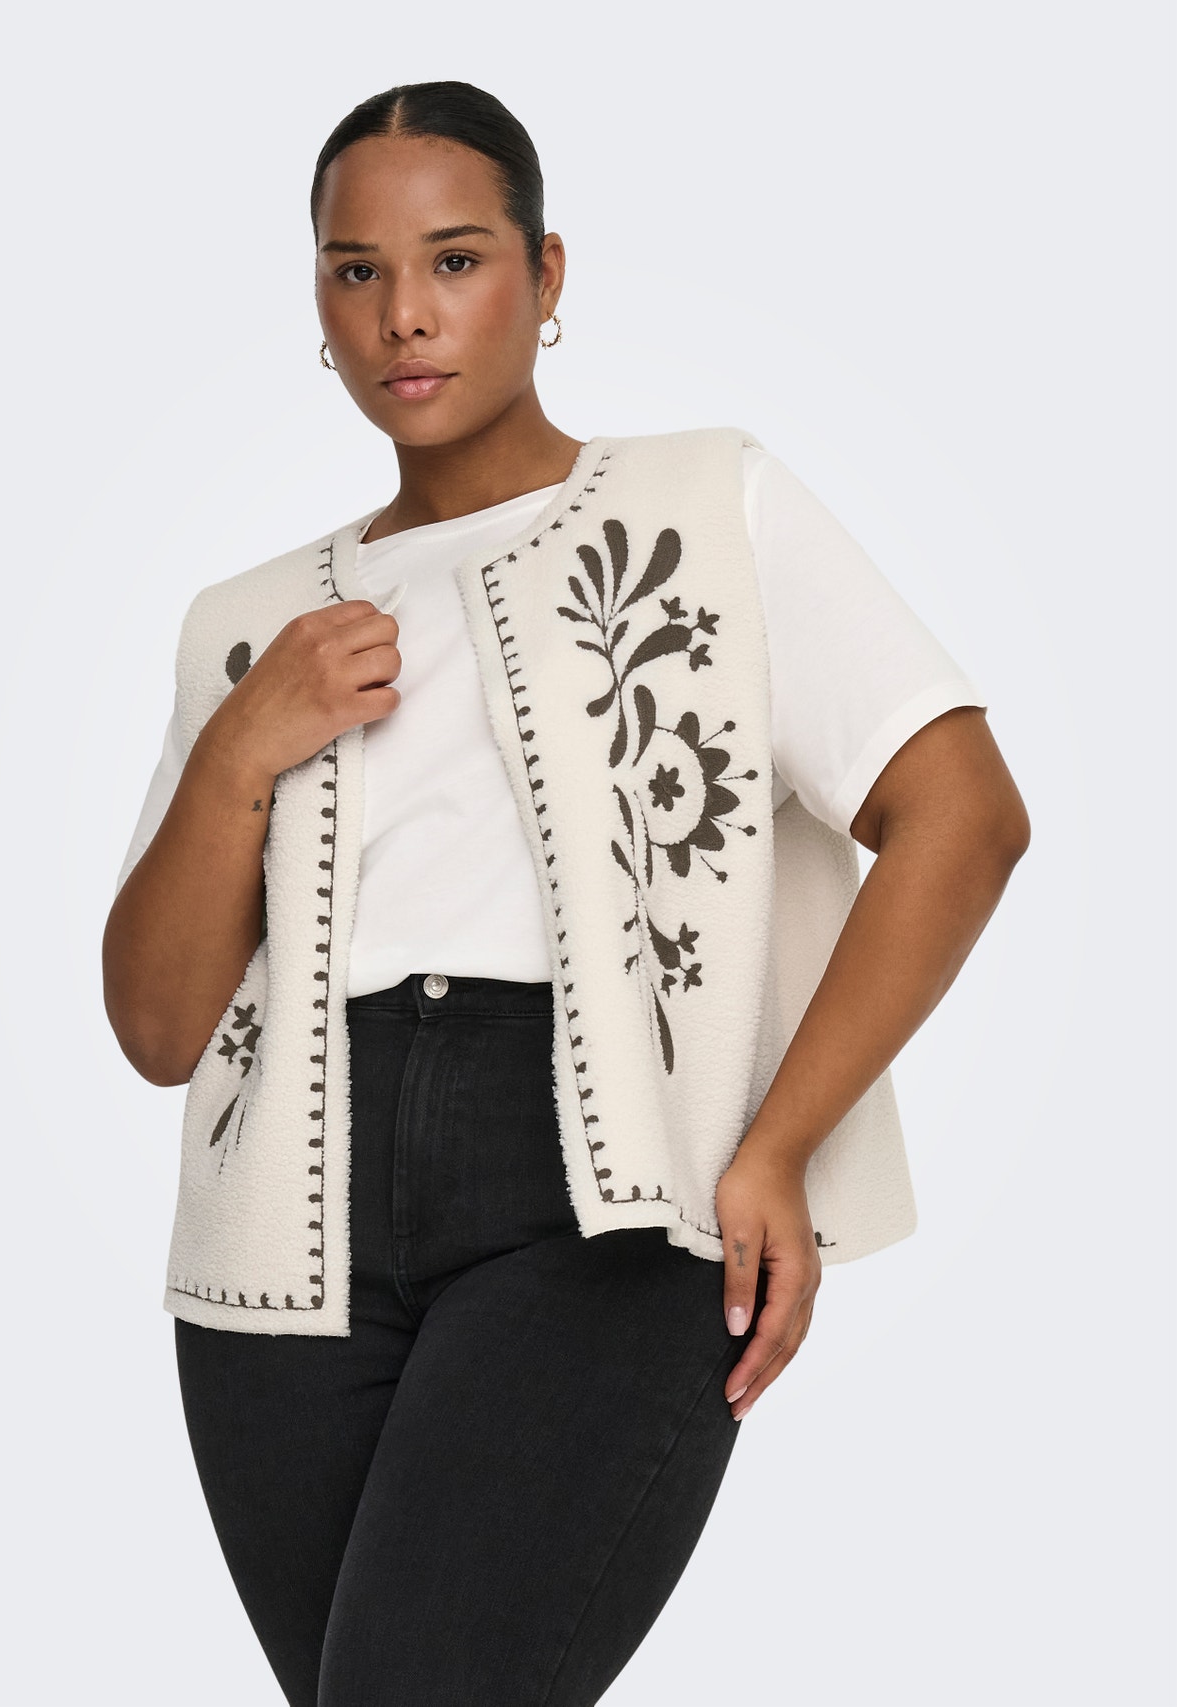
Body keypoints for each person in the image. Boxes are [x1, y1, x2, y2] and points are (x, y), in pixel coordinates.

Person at [103, 79, 1030, 1707]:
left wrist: (778, 1147)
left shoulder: (707, 506)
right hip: (284, 1244)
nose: (404, 315)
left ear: (544, 272)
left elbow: (962, 815)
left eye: (456, 260)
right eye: (355, 271)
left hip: (603, 1204)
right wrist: (242, 742)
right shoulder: (246, 624)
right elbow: (160, 1027)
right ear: (317, 301)